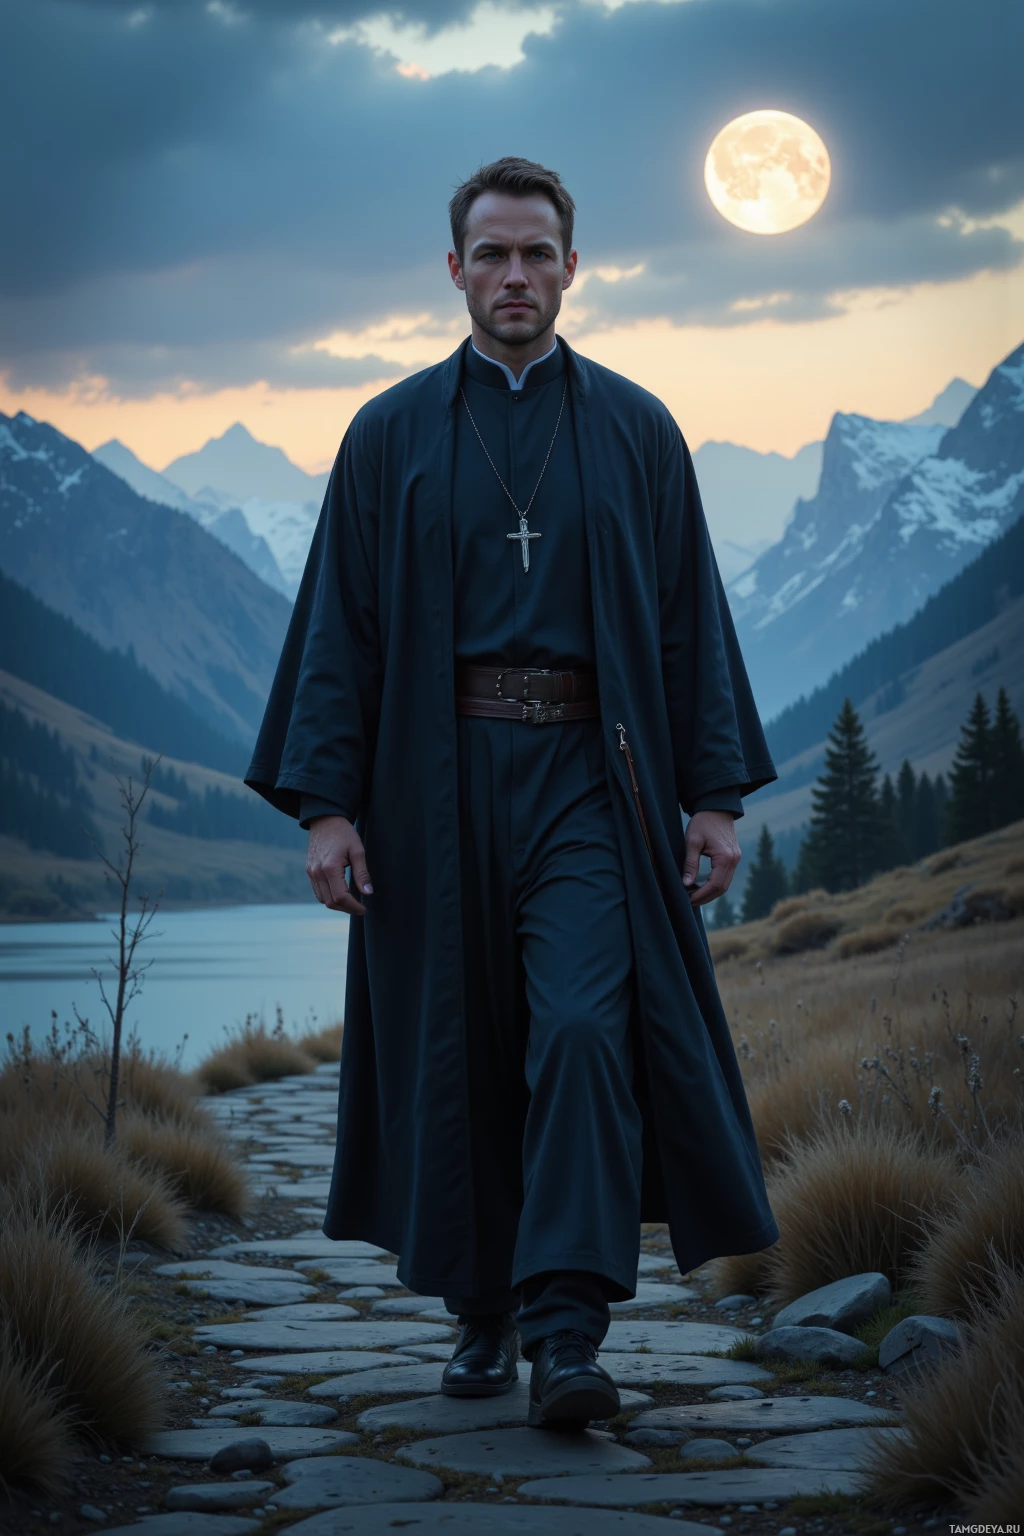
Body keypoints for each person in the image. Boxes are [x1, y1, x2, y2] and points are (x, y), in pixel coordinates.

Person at [247, 156, 779, 1430]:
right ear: (454, 272)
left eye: (537, 253)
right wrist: (326, 807)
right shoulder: (385, 436)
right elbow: (342, 632)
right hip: (433, 789)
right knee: (463, 1046)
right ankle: (479, 1309)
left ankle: (567, 1328)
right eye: (491, 254)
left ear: (572, 268)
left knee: (587, 1032)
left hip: (593, 785)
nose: (515, 276)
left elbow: (684, 620)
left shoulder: (638, 430)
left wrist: (712, 795)